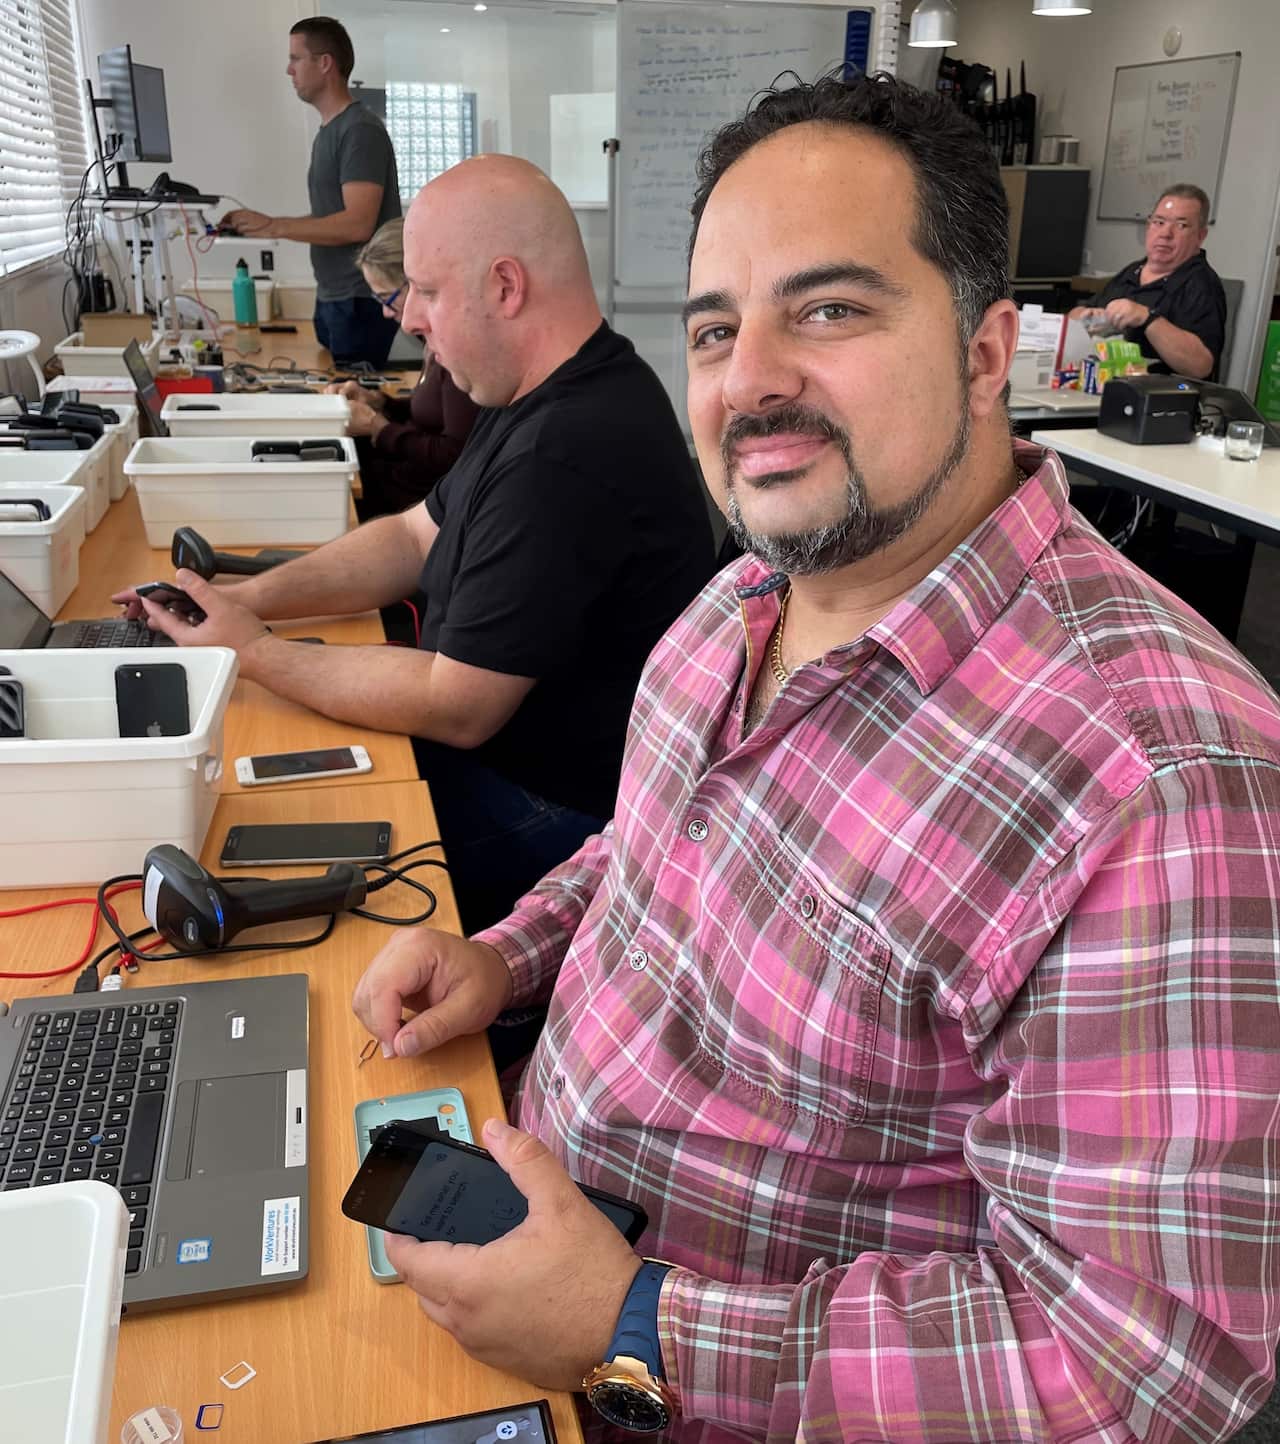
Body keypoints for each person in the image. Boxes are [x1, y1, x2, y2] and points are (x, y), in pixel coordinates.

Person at [348, 74, 1280, 1443]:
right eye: (719, 329)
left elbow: (1141, 1363)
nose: (754, 379)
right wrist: (513, 952)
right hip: (520, 1241)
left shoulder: (1161, 782)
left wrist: (638, 1323)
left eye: (831, 309)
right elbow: (649, 851)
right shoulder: (737, 609)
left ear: (984, 348)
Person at [116, 156, 714, 938]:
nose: (409, 318)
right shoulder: (535, 387)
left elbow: (454, 705)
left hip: (561, 816)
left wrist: (255, 653)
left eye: (428, 291)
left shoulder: (566, 449)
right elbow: (410, 535)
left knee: (251, 839)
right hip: (507, 759)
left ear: (505, 286)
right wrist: (240, 604)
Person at [224, 17, 402, 367]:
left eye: (295, 58)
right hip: (333, 298)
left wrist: (275, 226)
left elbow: (357, 225)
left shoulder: (360, 131)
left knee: (352, 409)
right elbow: (329, 218)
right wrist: (264, 225)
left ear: (324, 63)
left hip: (359, 301)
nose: (288, 70)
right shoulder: (329, 132)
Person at [324, 218, 479, 520]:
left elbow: (454, 454)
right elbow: (433, 414)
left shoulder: (456, 351)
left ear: (419, 286)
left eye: (388, 298)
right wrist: (380, 402)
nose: (385, 311)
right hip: (407, 482)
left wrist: (377, 427)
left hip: (420, 503)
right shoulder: (433, 342)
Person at [1070, 183, 1227, 379]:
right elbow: (1073, 317)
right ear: (1148, 225)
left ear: (1200, 236)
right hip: (1106, 386)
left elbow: (1201, 365)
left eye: (1181, 225)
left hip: (1160, 400)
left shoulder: (1201, 284)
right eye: (1159, 222)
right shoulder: (1132, 271)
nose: (1165, 234)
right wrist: (1087, 316)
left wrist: (1148, 318)